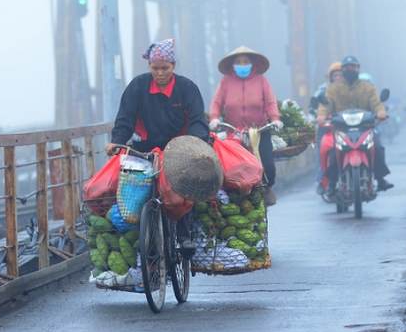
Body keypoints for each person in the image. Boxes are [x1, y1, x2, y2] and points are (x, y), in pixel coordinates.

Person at [106, 38, 209, 254]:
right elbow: (125, 118)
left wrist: (197, 142)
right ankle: (145, 232)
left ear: (173, 66)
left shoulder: (187, 88)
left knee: (183, 188)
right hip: (145, 147)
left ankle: (184, 232)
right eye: (155, 68)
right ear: (149, 67)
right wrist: (117, 141)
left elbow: (197, 120)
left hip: (179, 148)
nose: (160, 73)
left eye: (165, 68)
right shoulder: (137, 86)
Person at [207, 46, 282, 205]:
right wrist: (214, 118)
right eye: (239, 62)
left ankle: (267, 187)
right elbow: (216, 102)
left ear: (252, 64)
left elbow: (270, 102)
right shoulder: (226, 82)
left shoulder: (261, 80)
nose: (242, 64)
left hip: (259, 131)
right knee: (231, 167)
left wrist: (275, 118)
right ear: (233, 65)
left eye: (245, 61)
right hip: (234, 133)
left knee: (268, 165)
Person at [317, 55, 394, 192]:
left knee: (378, 147)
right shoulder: (333, 89)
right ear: (343, 70)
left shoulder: (368, 87)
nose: (350, 69)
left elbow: (376, 103)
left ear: (358, 69)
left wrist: (381, 112)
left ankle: (380, 179)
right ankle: (332, 183)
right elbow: (326, 105)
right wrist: (322, 116)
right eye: (347, 67)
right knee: (333, 152)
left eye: (353, 67)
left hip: (365, 128)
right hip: (342, 129)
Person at [312, 62, 343, 194]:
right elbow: (314, 106)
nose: (338, 77)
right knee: (324, 153)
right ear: (330, 77)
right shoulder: (323, 90)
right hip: (327, 127)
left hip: (344, 126)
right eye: (335, 75)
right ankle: (323, 180)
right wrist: (319, 116)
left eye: (340, 75)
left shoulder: (349, 90)